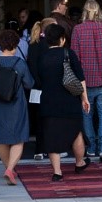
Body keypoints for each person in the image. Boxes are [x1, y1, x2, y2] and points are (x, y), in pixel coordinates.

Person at [33, 23, 90, 181]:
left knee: (51, 135)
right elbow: (80, 78)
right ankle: (79, 162)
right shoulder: (69, 54)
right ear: (62, 39)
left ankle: (57, 171)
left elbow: (39, 79)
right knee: (76, 132)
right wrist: (84, 98)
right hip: (69, 100)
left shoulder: (42, 58)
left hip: (49, 101)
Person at [71, 0, 102, 161]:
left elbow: (74, 58)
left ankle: (91, 147)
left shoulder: (78, 30)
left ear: (85, 12)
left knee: (86, 115)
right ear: (99, 11)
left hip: (85, 80)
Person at [0, 29, 34, 185]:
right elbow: (29, 83)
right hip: (16, 104)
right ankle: (10, 169)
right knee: (18, 138)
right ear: (16, 45)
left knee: (1, 140)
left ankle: (9, 169)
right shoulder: (19, 63)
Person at [25, 17, 53, 159]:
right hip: (47, 87)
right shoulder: (48, 45)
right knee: (49, 118)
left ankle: (39, 149)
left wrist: (37, 81)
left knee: (38, 118)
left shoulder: (33, 44)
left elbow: (32, 66)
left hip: (35, 88)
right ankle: (48, 148)